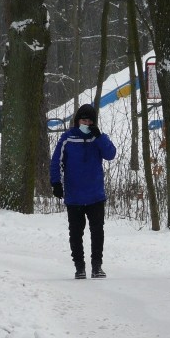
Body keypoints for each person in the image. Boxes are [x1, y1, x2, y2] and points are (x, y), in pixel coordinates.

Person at [50, 103, 117, 279]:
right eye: (83, 119)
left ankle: (97, 266)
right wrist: (56, 183)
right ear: (77, 120)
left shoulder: (99, 138)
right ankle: (79, 267)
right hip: (74, 196)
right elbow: (55, 161)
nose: (86, 123)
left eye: (90, 120)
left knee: (97, 232)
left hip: (95, 194)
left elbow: (111, 154)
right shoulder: (67, 138)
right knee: (76, 233)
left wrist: (100, 137)